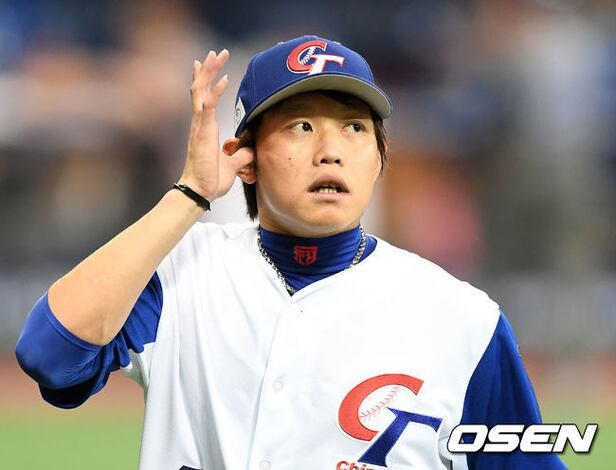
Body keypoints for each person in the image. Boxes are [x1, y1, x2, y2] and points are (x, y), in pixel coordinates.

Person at [15, 35, 565, 470]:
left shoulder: (463, 320)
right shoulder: (181, 273)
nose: (331, 151)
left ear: (380, 158)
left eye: (354, 128)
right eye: (302, 126)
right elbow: (49, 354)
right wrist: (190, 195)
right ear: (245, 158)